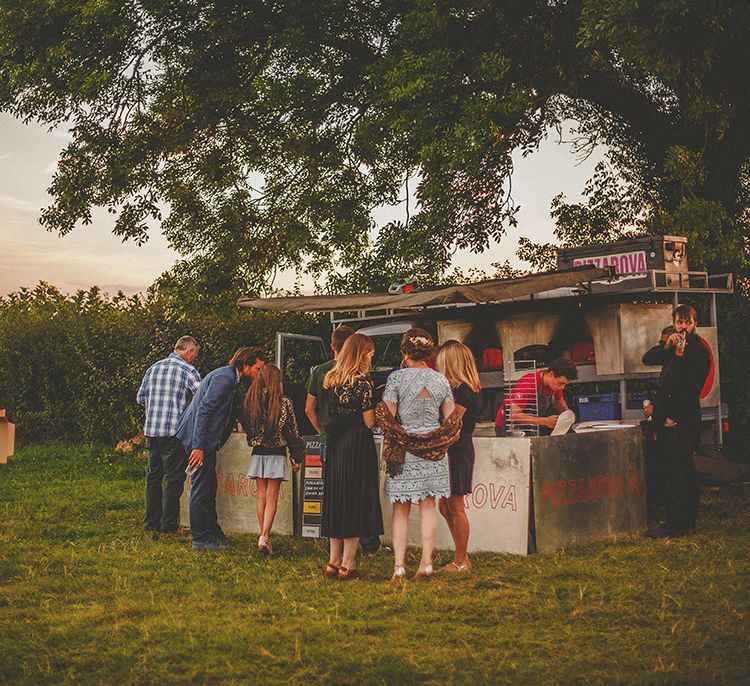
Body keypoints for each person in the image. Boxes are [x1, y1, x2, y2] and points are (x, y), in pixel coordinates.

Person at [381, 328, 456, 580]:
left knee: (400, 509)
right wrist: (436, 439)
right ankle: (426, 563)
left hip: (404, 451)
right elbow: (451, 420)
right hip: (434, 452)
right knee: (428, 506)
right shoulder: (441, 380)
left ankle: (399, 566)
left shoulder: (395, 380)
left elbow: (387, 417)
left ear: (405, 352)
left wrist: (401, 436)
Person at [176, 346, 266, 551]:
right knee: (201, 488)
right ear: (245, 365)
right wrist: (198, 447)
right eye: (258, 369)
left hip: (203, 440)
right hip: (198, 440)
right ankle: (201, 540)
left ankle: (212, 531)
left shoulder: (227, 377)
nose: (259, 373)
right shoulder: (225, 379)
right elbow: (204, 411)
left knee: (209, 486)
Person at [642, 305, 710, 539]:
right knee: (670, 471)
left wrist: (674, 417)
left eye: (687, 322)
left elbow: (690, 388)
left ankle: (682, 523)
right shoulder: (674, 346)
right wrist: (668, 344)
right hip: (666, 418)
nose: (683, 327)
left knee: (683, 473)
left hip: (682, 419)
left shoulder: (697, 349)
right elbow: (648, 358)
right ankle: (675, 521)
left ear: (694, 324)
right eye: (679, 323)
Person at [321, 333, 383, 581]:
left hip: (337, 443)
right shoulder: (363, 382)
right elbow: (369, 422)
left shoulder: (331, 379)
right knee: (356, 500)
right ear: (360, 354)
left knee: (337, 499)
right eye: (369, 352)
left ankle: (333, 561)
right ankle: (349, 563)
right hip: (357, 443)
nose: (371, 356)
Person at [136, 335, 201, 535]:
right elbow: (202, 397)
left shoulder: (153, 368)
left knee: (153, 477)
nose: (194, 359)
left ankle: (151, 523)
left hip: (152, 431)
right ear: (189, 351)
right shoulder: (187, 370)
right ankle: (169, 525)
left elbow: (140, 398)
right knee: (173, 478)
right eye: (195, 355)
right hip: (173, 431)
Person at [242, 364, 304, 555]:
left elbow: (246, 425)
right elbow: (292, 431)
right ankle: (265, 537)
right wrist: (296, 456)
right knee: (272, 497)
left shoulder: (251, 401)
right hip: (277, 452)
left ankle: (263, 535)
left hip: (258, 452)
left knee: (260, 496)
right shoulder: (284, 402)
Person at [435, 340, 482, 573]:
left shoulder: (464, 392)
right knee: (445, 506)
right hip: (452, 450)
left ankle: (461, 560)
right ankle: (460, 554)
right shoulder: (459, 390)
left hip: (457, 450)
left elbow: (451, 423)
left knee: (455, 505)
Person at [495, 358, 578, 436]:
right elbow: (513, 415)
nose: (562, 387)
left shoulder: (555, 385)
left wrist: (568, 416)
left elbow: (559, 402)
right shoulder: (529, 384)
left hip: (530, 425)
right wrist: (545, 421)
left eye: (565, 384)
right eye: (561, 383)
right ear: (551, 374)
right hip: (508, 427)